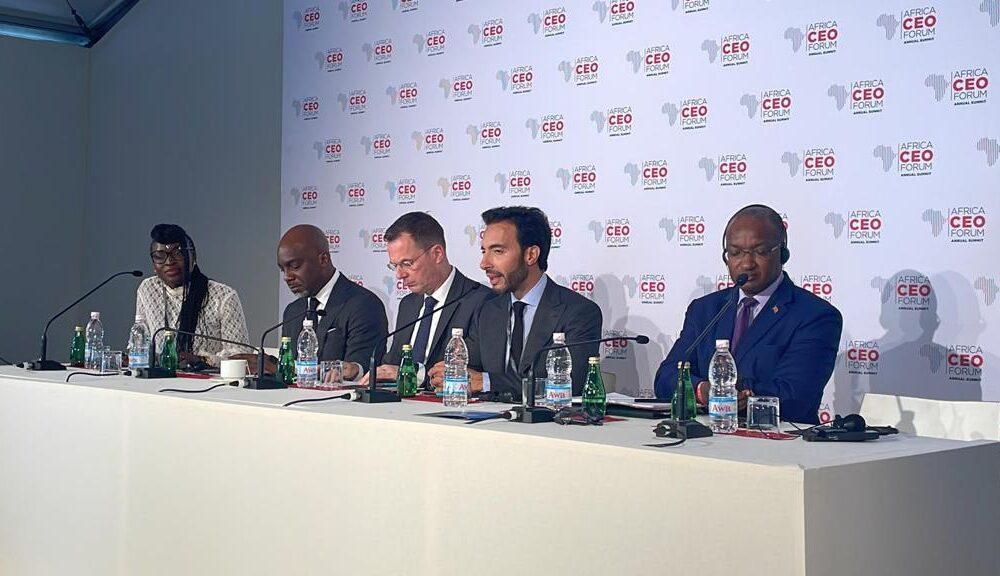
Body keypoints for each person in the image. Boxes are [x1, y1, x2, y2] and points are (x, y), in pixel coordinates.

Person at [653, 204, 843, 424]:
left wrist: (734, 394)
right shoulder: (705, 310)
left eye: (759, 252)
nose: (746, 263)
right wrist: (701, 390)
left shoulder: (815, 315)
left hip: (776, 438)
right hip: (706, 436)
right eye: (735, 253)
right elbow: (666, 377)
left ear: (782, 254)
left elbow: (796, 397)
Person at [430, 206, 602, 401]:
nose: (484, 263)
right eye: (484, 251)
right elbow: (466, 368)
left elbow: (570, 383)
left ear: (531, 255)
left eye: (498, 251)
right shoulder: (488, 310)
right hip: (489, 418)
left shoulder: (578, 312)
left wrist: (487, 382)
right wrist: (449, 374)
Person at [362, 212, 491, 385]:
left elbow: (468, 368)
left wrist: (413, 374)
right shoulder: (408, 304)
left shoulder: (481, 302)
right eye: (395, 266)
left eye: (407, 263)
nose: (399, 275)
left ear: (437, 254)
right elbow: (392, 363)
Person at [278, 224, 388, 381]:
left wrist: (352, 370)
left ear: (323, 259)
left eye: (295, 266)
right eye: (283, 269)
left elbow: (363, 367)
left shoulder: (364, 305)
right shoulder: (293, 311)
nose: (287, 277)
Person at [134, 224, 251, 368]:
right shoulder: (147, 289)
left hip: (208, 378)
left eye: (178, 253)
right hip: (161, 376)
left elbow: (241, 354)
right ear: (153, 264)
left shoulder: (224, 296)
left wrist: (203, 360)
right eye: (160, 256)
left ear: (193, 257)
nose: (169, 262)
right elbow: (140, 339)